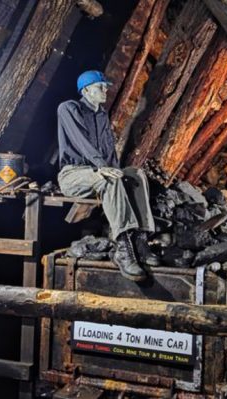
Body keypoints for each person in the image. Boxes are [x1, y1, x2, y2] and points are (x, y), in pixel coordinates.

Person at [56, 70, 160, 282]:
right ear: (86, 90)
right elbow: (80, 142)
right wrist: (103, 168)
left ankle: (140, 241)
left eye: (105, 86)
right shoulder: (68, 108)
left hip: (98, 170)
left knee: (136, 174)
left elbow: (109, 149)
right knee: (109, 178)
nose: (106, 90)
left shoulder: (101, 115)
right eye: (100, 87)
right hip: (73, 174)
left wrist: (117, 170)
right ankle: (122, 249)